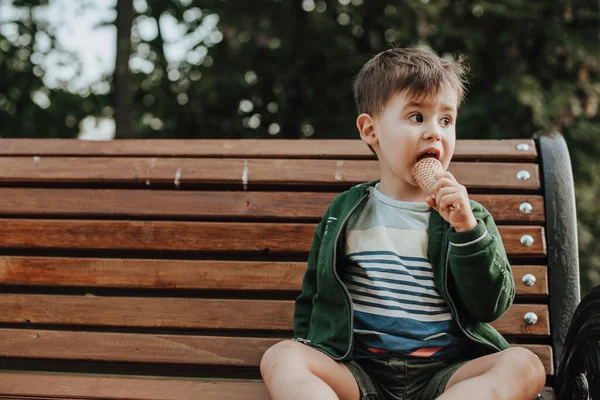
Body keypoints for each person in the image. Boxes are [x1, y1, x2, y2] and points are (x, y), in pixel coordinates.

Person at [260, 47, 546, 400]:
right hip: (360, 373)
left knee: (525, 365)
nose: (434, 133)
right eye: (416, 117)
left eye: (446, 120)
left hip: (445, 373)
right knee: (282, 356)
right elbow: (314, 296)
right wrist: (311, 350)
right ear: (370, 130)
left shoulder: (467, 218)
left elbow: (489, 306)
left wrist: (467, 231)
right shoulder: (346, 212)